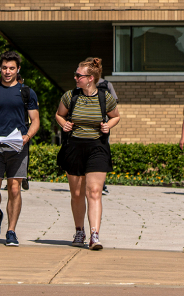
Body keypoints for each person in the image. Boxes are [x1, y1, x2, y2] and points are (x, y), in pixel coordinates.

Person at [0, 51, 40, 247]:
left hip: (18, 145)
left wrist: (27, 137)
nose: (7, 71)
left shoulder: (26, 92)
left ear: (18, 69)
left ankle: (11, 231)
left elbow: (35, 121)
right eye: (4, 68)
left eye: (12, 68)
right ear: (0, 68)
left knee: (14, 188)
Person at [55, 58, 120, 250]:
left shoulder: (104, 97)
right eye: (76, 75)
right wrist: (63, 123)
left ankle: (94, 234)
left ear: (90, 78)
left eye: (78, 75)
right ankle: (79, 231)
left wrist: (108, 125)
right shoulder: (70, 96)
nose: (75, 78)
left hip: (97, 147)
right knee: (76, 193)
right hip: (74, 147)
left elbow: (115, 116)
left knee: (93, 192)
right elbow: (59, 114)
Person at [97, 77, 118, 196]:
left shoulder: (107, 84)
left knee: (101, 153)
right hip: (98, 124)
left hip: (102, 125)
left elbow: (114, 104)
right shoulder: (83, 85)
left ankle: (101, 184)